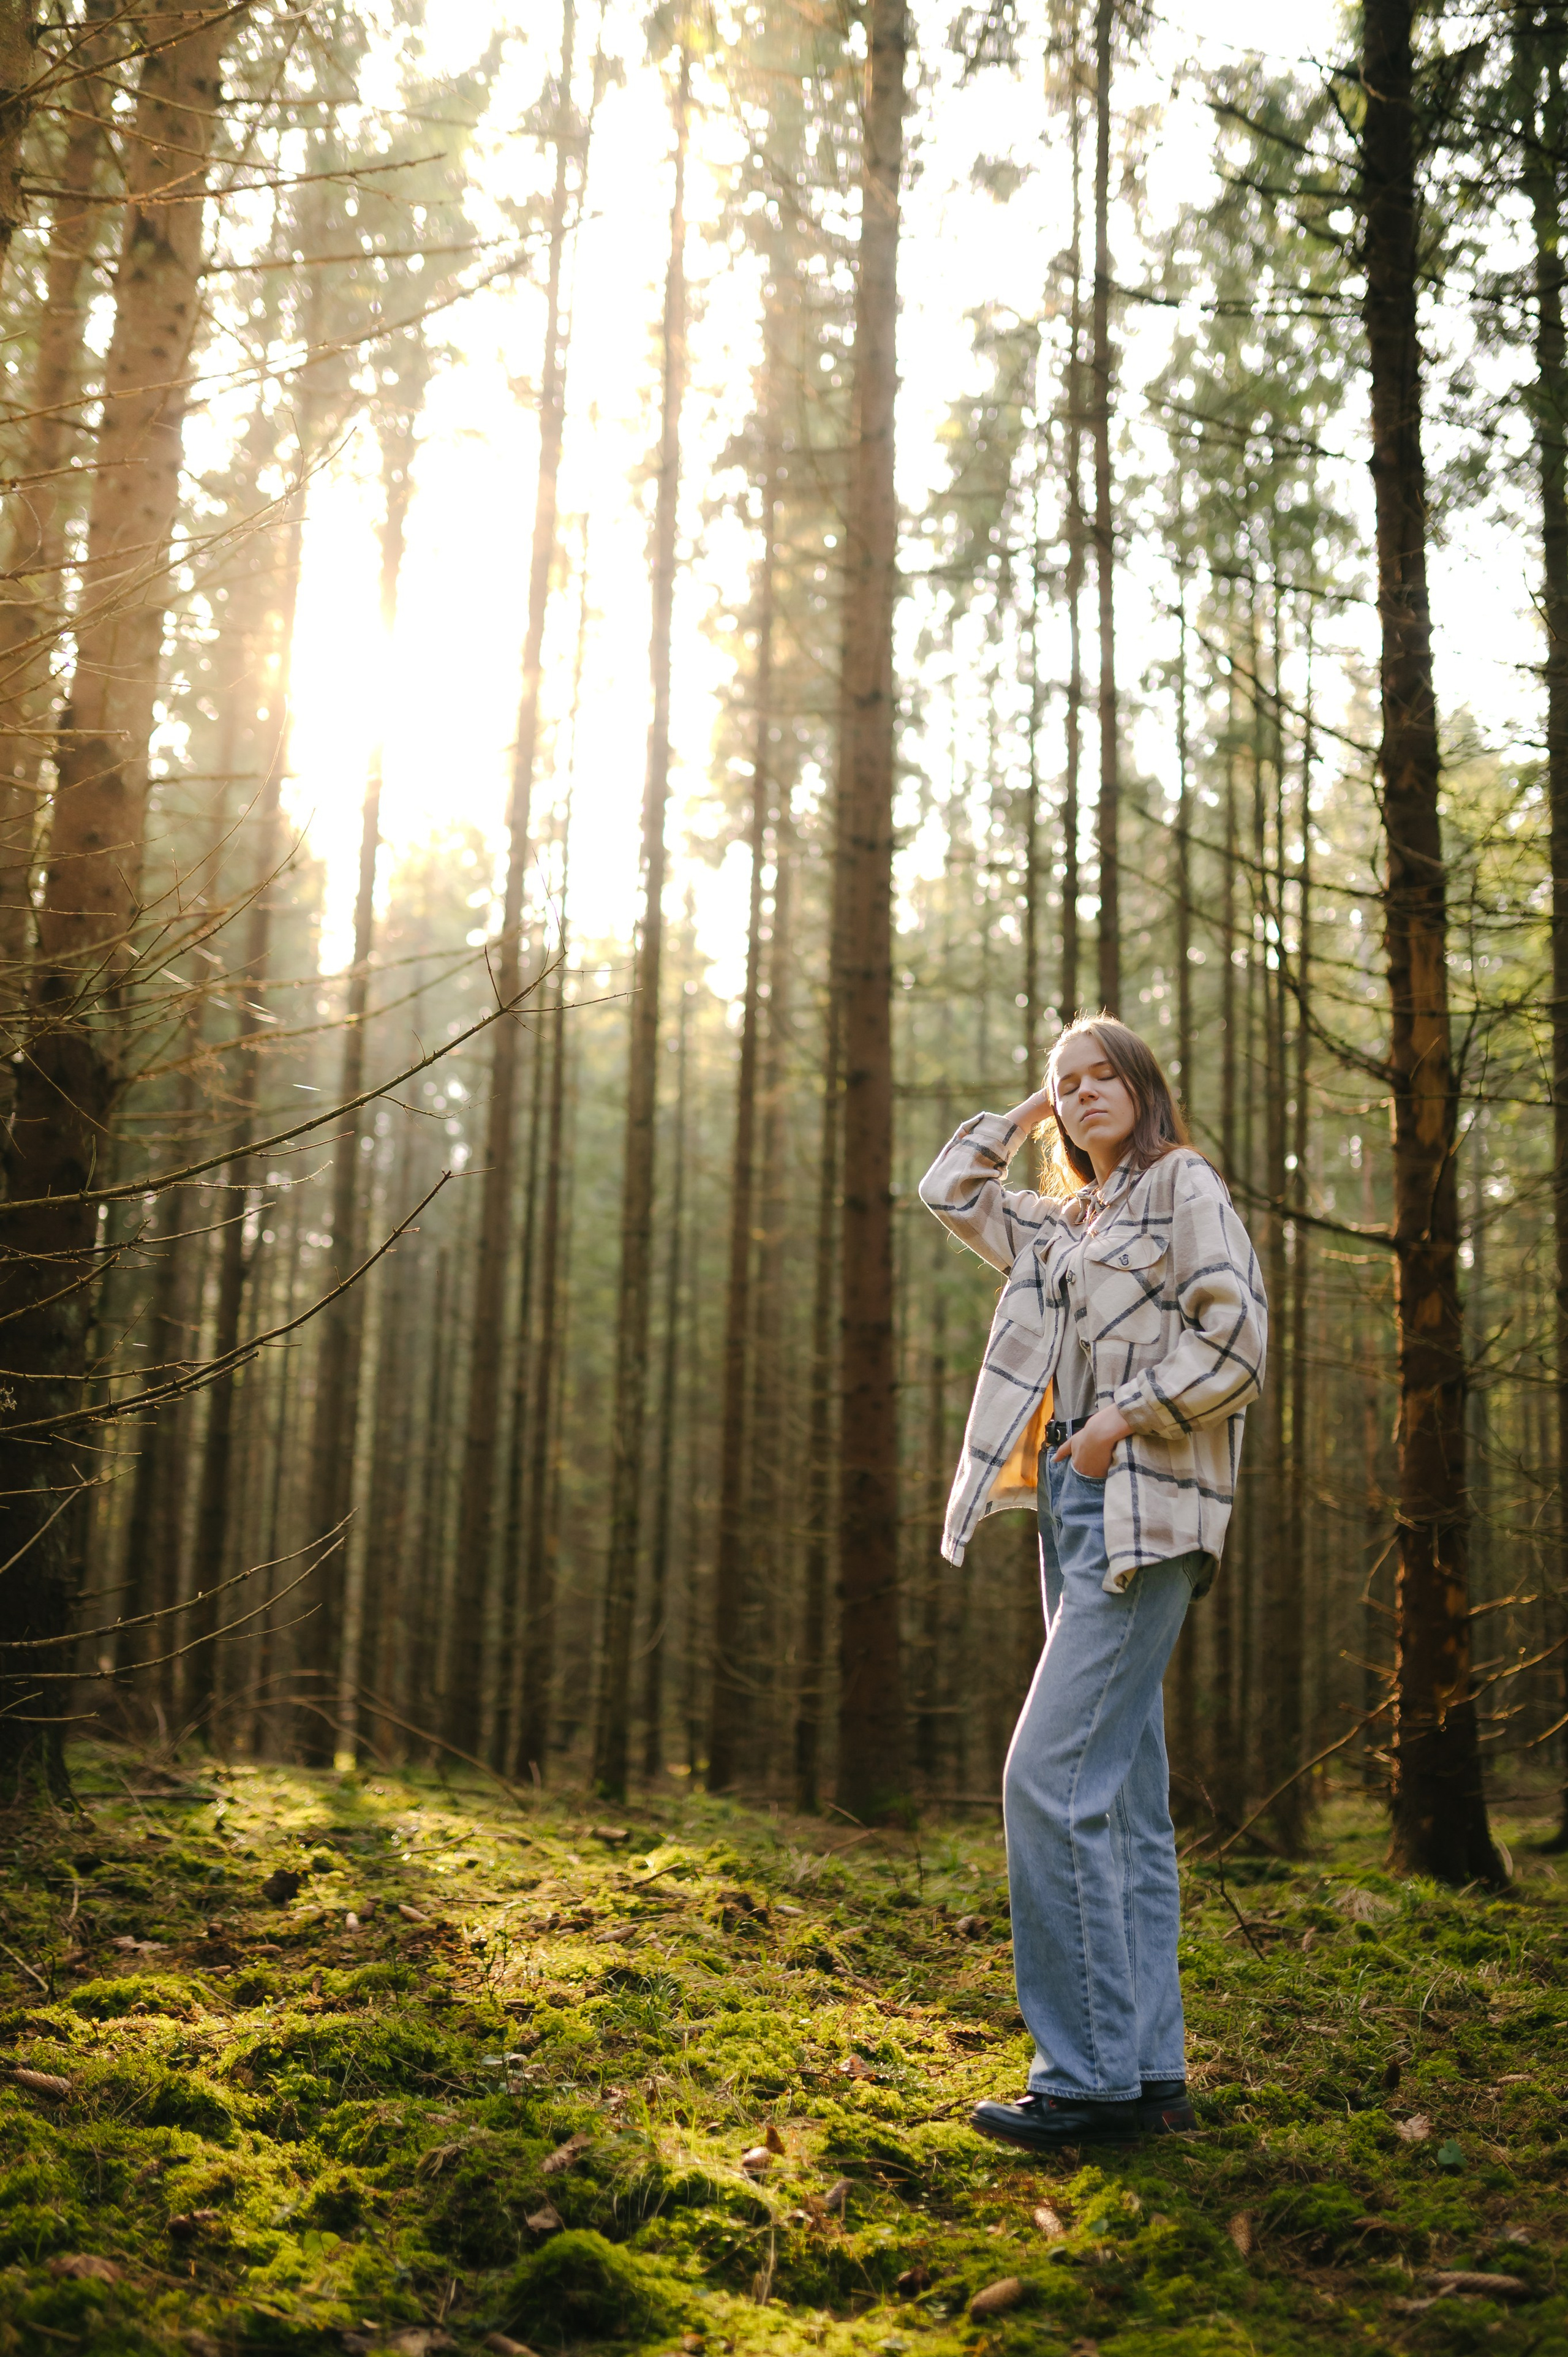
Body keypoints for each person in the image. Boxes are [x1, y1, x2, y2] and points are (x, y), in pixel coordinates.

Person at [918, 1014, 1267, 2150]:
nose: (1080, 1095)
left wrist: (1125, 1417)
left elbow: (1238, 1343)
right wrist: (1025, 1116)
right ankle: (1147, 2072)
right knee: (1114, 1799)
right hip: (1071, 1500)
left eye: (1098, 1075)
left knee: (1048, 1777)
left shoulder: (1181, 1186)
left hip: (1143, 1503)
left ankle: (1085, 2080)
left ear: (1142, 1082)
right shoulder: (1073, 1215)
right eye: (1064, 1084)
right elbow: (950, 1191)